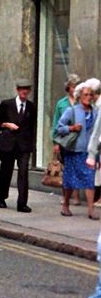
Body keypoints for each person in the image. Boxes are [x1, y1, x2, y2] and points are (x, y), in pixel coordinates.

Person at [56, 80, 99, 219]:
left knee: (89, 180)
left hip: (88, 152)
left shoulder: (96, 112)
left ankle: (91, 210)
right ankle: (66, 204)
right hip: (73, 151)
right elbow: (59, 128)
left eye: (91, 95)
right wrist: (72, 128)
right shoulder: (72, 111)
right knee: (70, 181)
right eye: (86, 94)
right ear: (80, 96)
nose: (88, 97)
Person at [0, 79, 36, 212]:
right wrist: (7, 124)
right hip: (8, 144)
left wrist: (32, 144)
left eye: (27, 89)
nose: (25, 91)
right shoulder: (7, 104)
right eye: (22, 89)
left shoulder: (31, 106)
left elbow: (33, 128)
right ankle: (1, 198)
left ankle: (22, 203)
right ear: (17, 90)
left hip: (24, 146)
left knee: (23, 173)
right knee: (6, 172)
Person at [54, 75, 84, 206]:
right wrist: (55, 142)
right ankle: (65, 195)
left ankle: (76, 196)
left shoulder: (82, 103)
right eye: (73, 86)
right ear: (68, 87)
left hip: (79, 140)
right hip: (65, 140)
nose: (75, 88)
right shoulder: (62, 103)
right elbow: (56, 123)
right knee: (66, 169)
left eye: (77, 86)